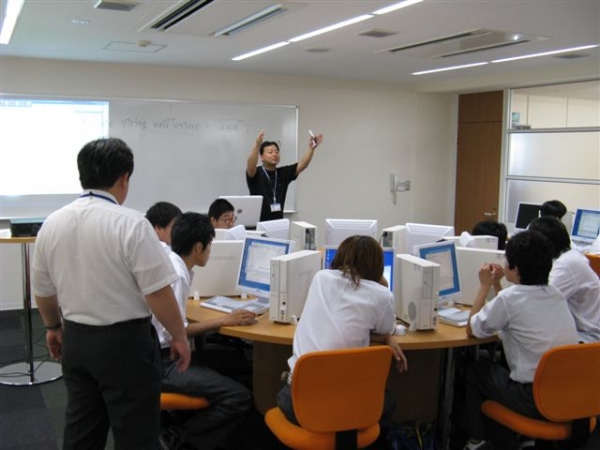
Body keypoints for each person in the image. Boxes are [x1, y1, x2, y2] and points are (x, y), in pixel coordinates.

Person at [32, 137, 191, 450]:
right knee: (135, 434)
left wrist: (52, 327)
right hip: (126, 345)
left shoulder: (52, 223)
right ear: (124, 178)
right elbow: (158, 293)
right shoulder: (132, 224)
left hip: (76, 340)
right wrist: (179, 336)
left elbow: (43, 291)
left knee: (81, 430)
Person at [463, 230, 579, 450]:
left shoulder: (510, 299)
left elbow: (472, 329)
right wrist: (497, 285)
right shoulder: (556, 294)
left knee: (477, 371)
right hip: (567, 395)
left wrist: (485, 285)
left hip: (533, 399)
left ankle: (476, 441)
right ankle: (521, 439)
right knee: (502, 367)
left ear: (515, 269)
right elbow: (510, 310)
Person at [276, 235, 408, 426]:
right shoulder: (381, 295)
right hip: (346, 408)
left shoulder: (320, 278)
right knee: (388, 401)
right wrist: (387, 337)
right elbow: (387, 329)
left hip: (295, 403)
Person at [154, 212, 256, 450]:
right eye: (209, 246)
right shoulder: (177, 275)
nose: (210, 252)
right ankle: (177, 437)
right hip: (164, 363)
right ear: (198, 248)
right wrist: (224, 320)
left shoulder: (172, 262)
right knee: (239, 397)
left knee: (237, 361)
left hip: (157, 355)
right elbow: (175, 334)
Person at [528, 216, 600, 343]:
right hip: (577, 331)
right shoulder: (569, 257)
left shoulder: (567, 264)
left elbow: (542, 300)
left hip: (586, 337)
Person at [246, 129, 323, 222]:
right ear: (261, 157)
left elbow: (303, 164)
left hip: (278, 223)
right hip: (257, 224)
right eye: (270, 152)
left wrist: (311, 148)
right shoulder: (256, 173)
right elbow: (250, 166)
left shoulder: (283, 173)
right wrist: (257, 146)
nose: (274, 154)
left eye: (277, 152)